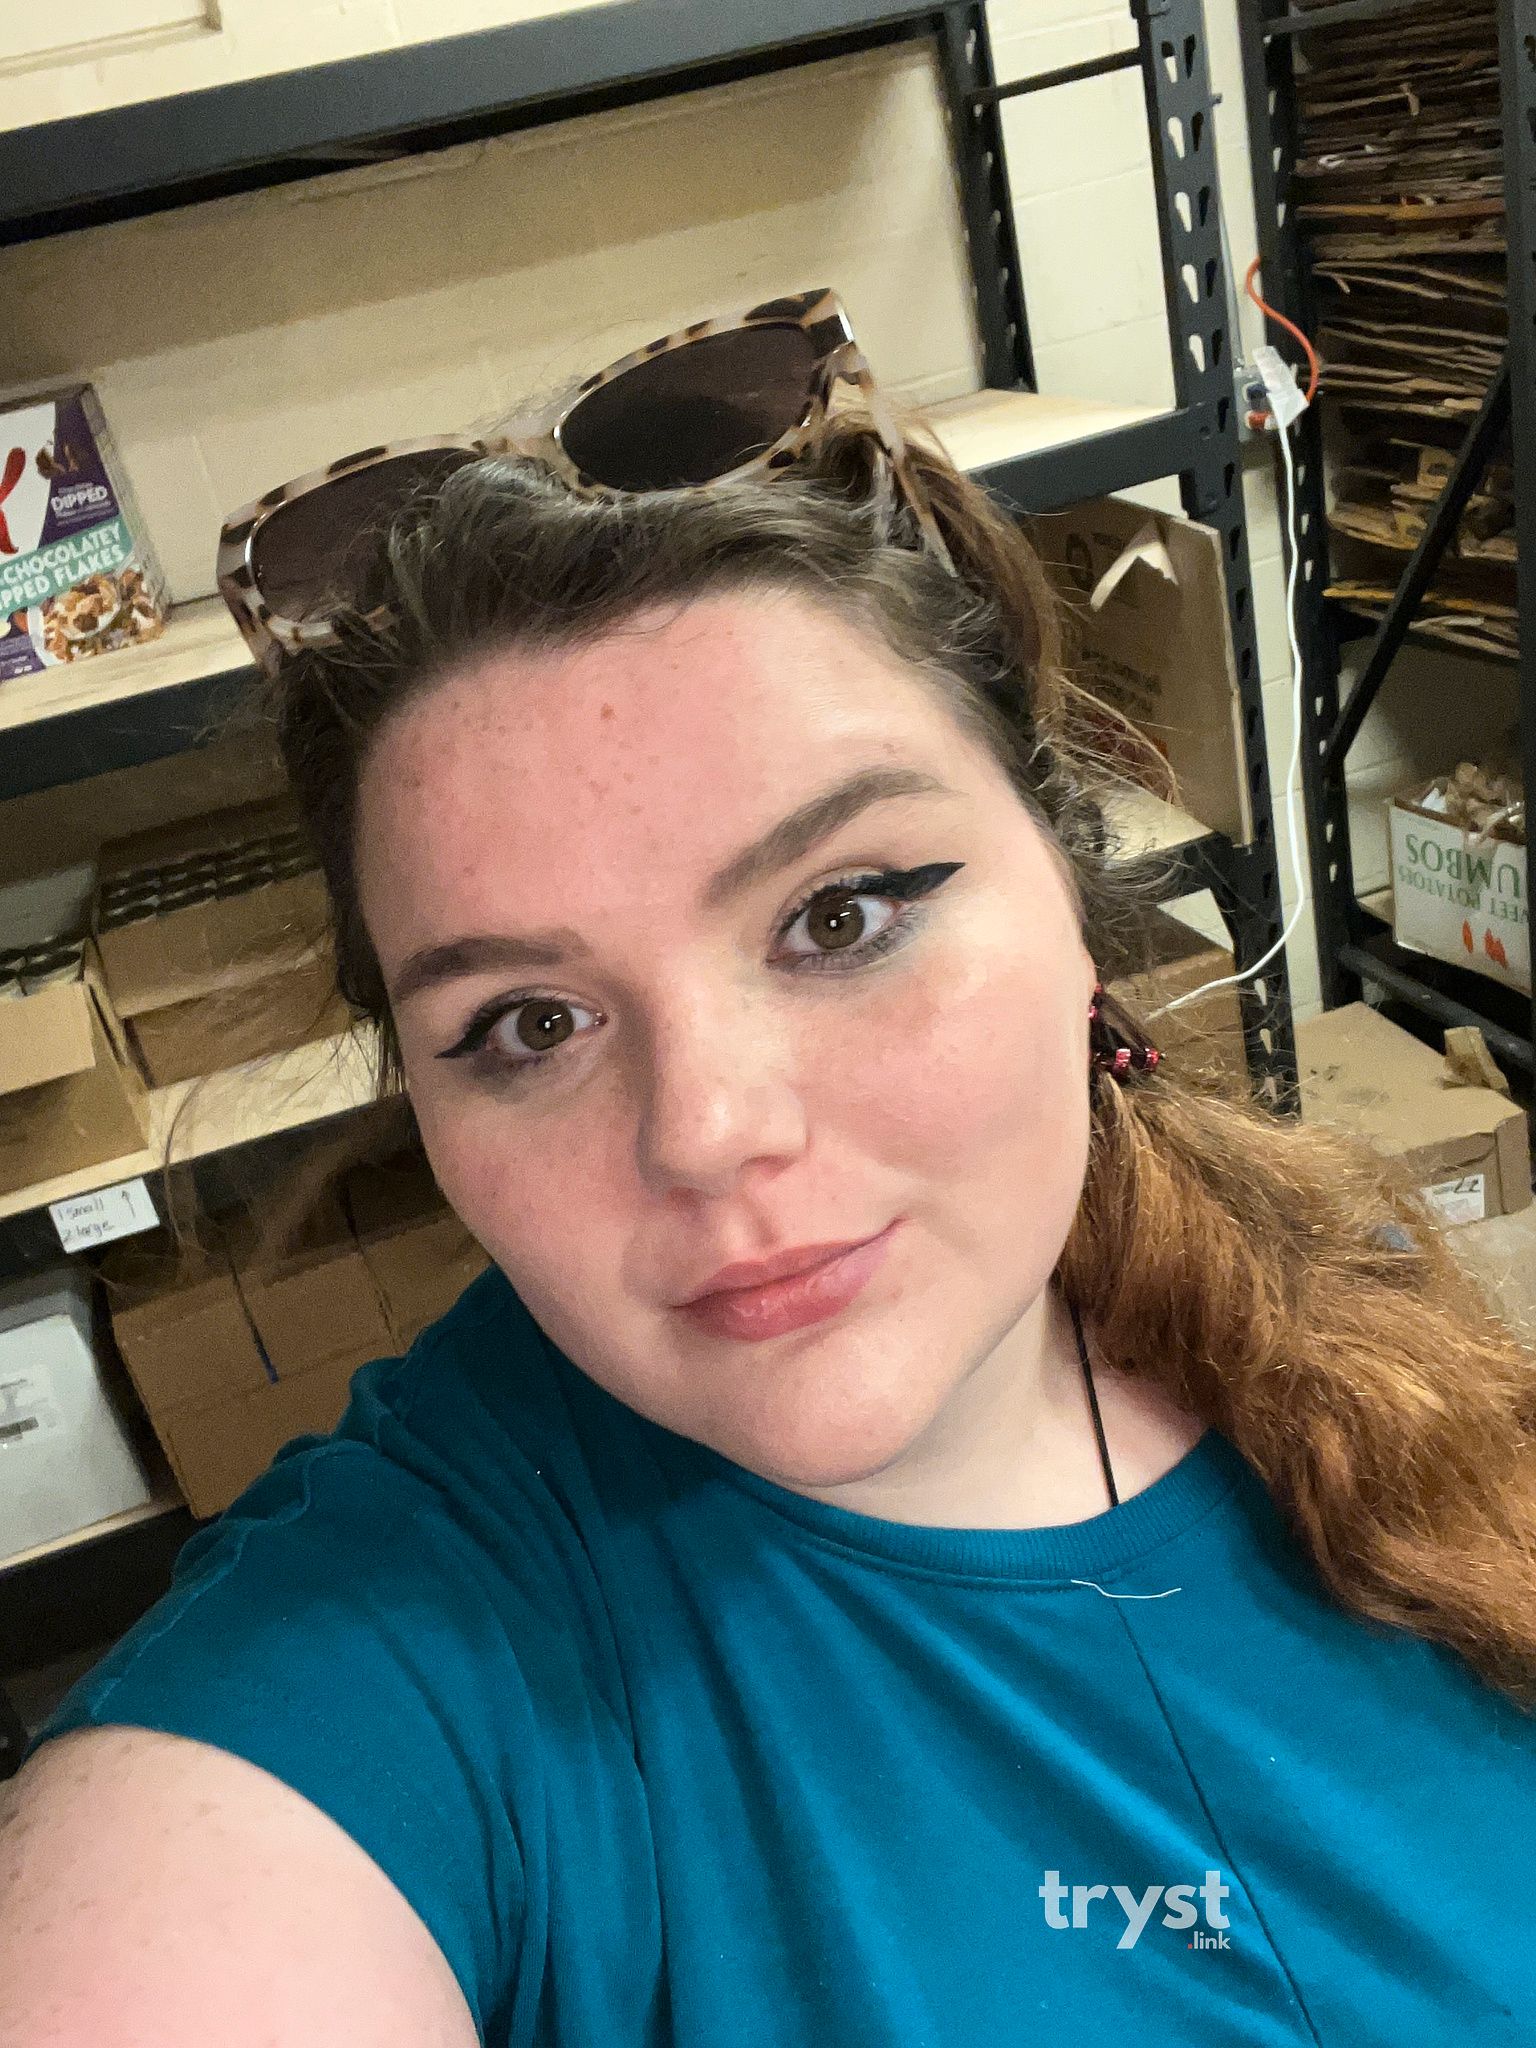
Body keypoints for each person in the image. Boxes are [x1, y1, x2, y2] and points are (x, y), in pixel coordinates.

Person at [3, 304, 1535, 2047]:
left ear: (1072, 889)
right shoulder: (409, 1649)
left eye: (842, 915)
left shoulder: (1349, 1311)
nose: (707, 1130)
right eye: (529, 1023)